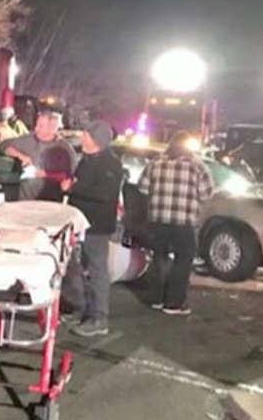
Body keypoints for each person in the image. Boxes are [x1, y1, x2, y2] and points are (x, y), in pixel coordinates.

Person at [138, 131, 214, 315]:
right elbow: (207, 193)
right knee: (184, 260)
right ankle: (174, 302)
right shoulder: (197, 166)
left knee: (158, 257)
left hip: (158, 219)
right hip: (184, 221)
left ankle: (156, 298)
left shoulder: (155, 163)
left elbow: (142, 187)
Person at [61, 121, 123, 337]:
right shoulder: (86, 160)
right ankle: (82, 309)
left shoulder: (110, 164)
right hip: (80, 223)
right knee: (78, 268)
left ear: (97, 140)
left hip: (96, 226)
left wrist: (74, 188)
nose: (82, 138)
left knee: (96, 271)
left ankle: (99, 317)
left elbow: (104, 193)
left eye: (86, 135)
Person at [0, 110, 77, 201]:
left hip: (50, 202)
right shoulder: (27, 140)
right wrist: (20, 155)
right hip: (25, 201)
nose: (36, 129)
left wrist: (45, 174)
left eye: (41, 126)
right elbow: (3, 145)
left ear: (52, 128)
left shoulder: (65, 148)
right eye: (36, 125)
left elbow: (70, 177)